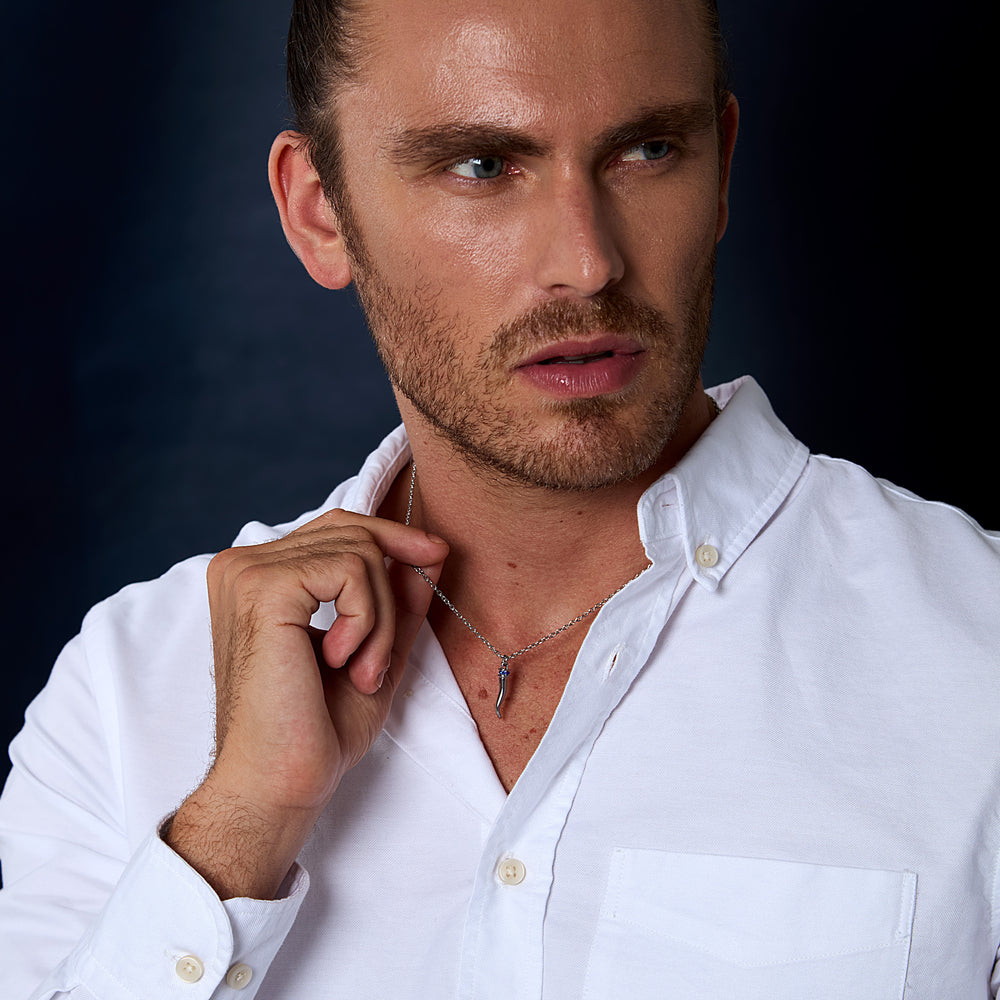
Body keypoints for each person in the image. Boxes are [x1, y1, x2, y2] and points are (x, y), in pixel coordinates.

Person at [1, 0, 997, 996]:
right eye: (482, 165)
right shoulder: (127, 693)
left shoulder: (975, 657)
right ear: (319, 210)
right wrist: (238, 828)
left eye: (648, 150)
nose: (587, 264)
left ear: (722, 166)